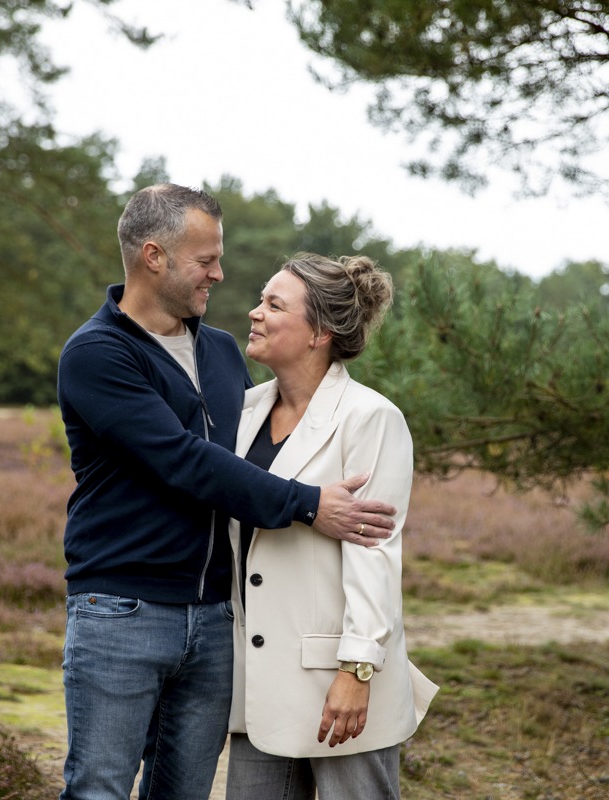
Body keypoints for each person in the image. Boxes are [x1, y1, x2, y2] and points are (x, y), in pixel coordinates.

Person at [56, 185, 397, 800]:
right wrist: (310, 502)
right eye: (206, 259)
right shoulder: (97, 354)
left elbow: (251, 473)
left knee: (183, 793)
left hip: (217, 623)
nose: (220, 273)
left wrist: (358, 662)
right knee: (98, 790)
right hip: (123, 611)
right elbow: (186, 462)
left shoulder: (218, 352)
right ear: (154, 256)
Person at [227, 253, 439, 800]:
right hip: (257, 681)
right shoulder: (243, 411)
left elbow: (375, 552)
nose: (254, 313)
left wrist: (357, 671)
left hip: (339, 682)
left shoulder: (370, 418)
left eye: (273, 304)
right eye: (260, 299)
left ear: (320, 331)